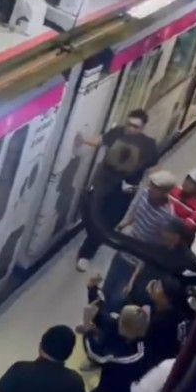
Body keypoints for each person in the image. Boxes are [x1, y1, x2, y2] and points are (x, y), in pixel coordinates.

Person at [75, 109, 159, 272]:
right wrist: (83, 141)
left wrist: (152, 186)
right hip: (104, 183)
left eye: (135, 126)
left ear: (142, 128)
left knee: (109, 221)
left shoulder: (149, 145)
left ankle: (87, 251)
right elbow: (101, 140)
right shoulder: (117, 132)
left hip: (125, 190)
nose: (130, 128)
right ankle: (90, 245)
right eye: (129, 124)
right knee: (93, 214)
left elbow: (152, 167)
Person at [102, 170, 180, 310]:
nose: (150, 188)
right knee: (107, 288)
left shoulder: (166, 216)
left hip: (137, 263)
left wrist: (134, 278)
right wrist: (124, 224)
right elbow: (134, 211)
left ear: (164, 192)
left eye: (155, 187)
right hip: (125, 250)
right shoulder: (144, 193)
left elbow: (153, 249)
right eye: (151, 185)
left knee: (117, 300)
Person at [170, 168, 196, 232]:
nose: (187, 183)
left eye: (192, 182)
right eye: (187, 179)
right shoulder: (175, 189)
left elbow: (187, 227)